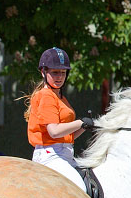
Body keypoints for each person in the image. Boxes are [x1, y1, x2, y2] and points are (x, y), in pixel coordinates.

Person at [25, 47, 92, 188]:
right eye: (55, 72)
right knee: (78, 187)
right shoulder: (46, 95)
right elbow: (54, 132)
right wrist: (80, 122)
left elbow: (67, 136)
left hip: (64, 154)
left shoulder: (60, 97)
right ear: (43, 72)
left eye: (63, 72)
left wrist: (85, 126)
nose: (60, 77)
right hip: (51, 156)